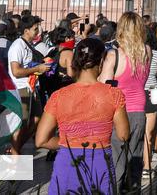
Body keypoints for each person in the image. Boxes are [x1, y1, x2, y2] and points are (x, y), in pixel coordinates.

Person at [36, 38, 131, 195]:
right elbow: (123, 135)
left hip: (67, 161)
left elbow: (41, 140)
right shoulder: (113, 94)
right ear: (101, 62)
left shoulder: (59, 96)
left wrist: (70, 142)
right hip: (99, 162)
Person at [99, 11, 151, 192]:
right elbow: (141, 82)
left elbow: (103, 86)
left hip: (118, 112)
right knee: (134, 159)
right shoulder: (147, 51)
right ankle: (133, 190)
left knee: (116, 160)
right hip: (139, 111)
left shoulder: (114, 55)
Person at [8, 14, 50, 154]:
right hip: (21, 88)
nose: (38, 31)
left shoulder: (28, 45)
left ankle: (15, 148)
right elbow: (16, 71)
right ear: (26, 30)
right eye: (35, 28)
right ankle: (14, 152)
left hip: (32, 87)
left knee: (36, 118)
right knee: (21, 123)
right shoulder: (17, 46)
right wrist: (37, 69)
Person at [142, 28, 157, 179]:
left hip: (136, 93)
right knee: (148, 134)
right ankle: (147, 167)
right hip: (151, 93)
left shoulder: (133, 53)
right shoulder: (156, 54)